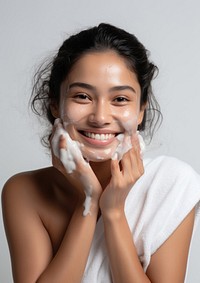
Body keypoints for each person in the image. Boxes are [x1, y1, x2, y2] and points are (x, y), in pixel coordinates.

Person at [2, 23, 200, 283]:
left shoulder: (171, 185)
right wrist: (89, 200)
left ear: (141, 110)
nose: (100, 117)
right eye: (82, 96)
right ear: (54, 104)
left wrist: (114, 211)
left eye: (120, 99)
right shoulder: (23, 191)